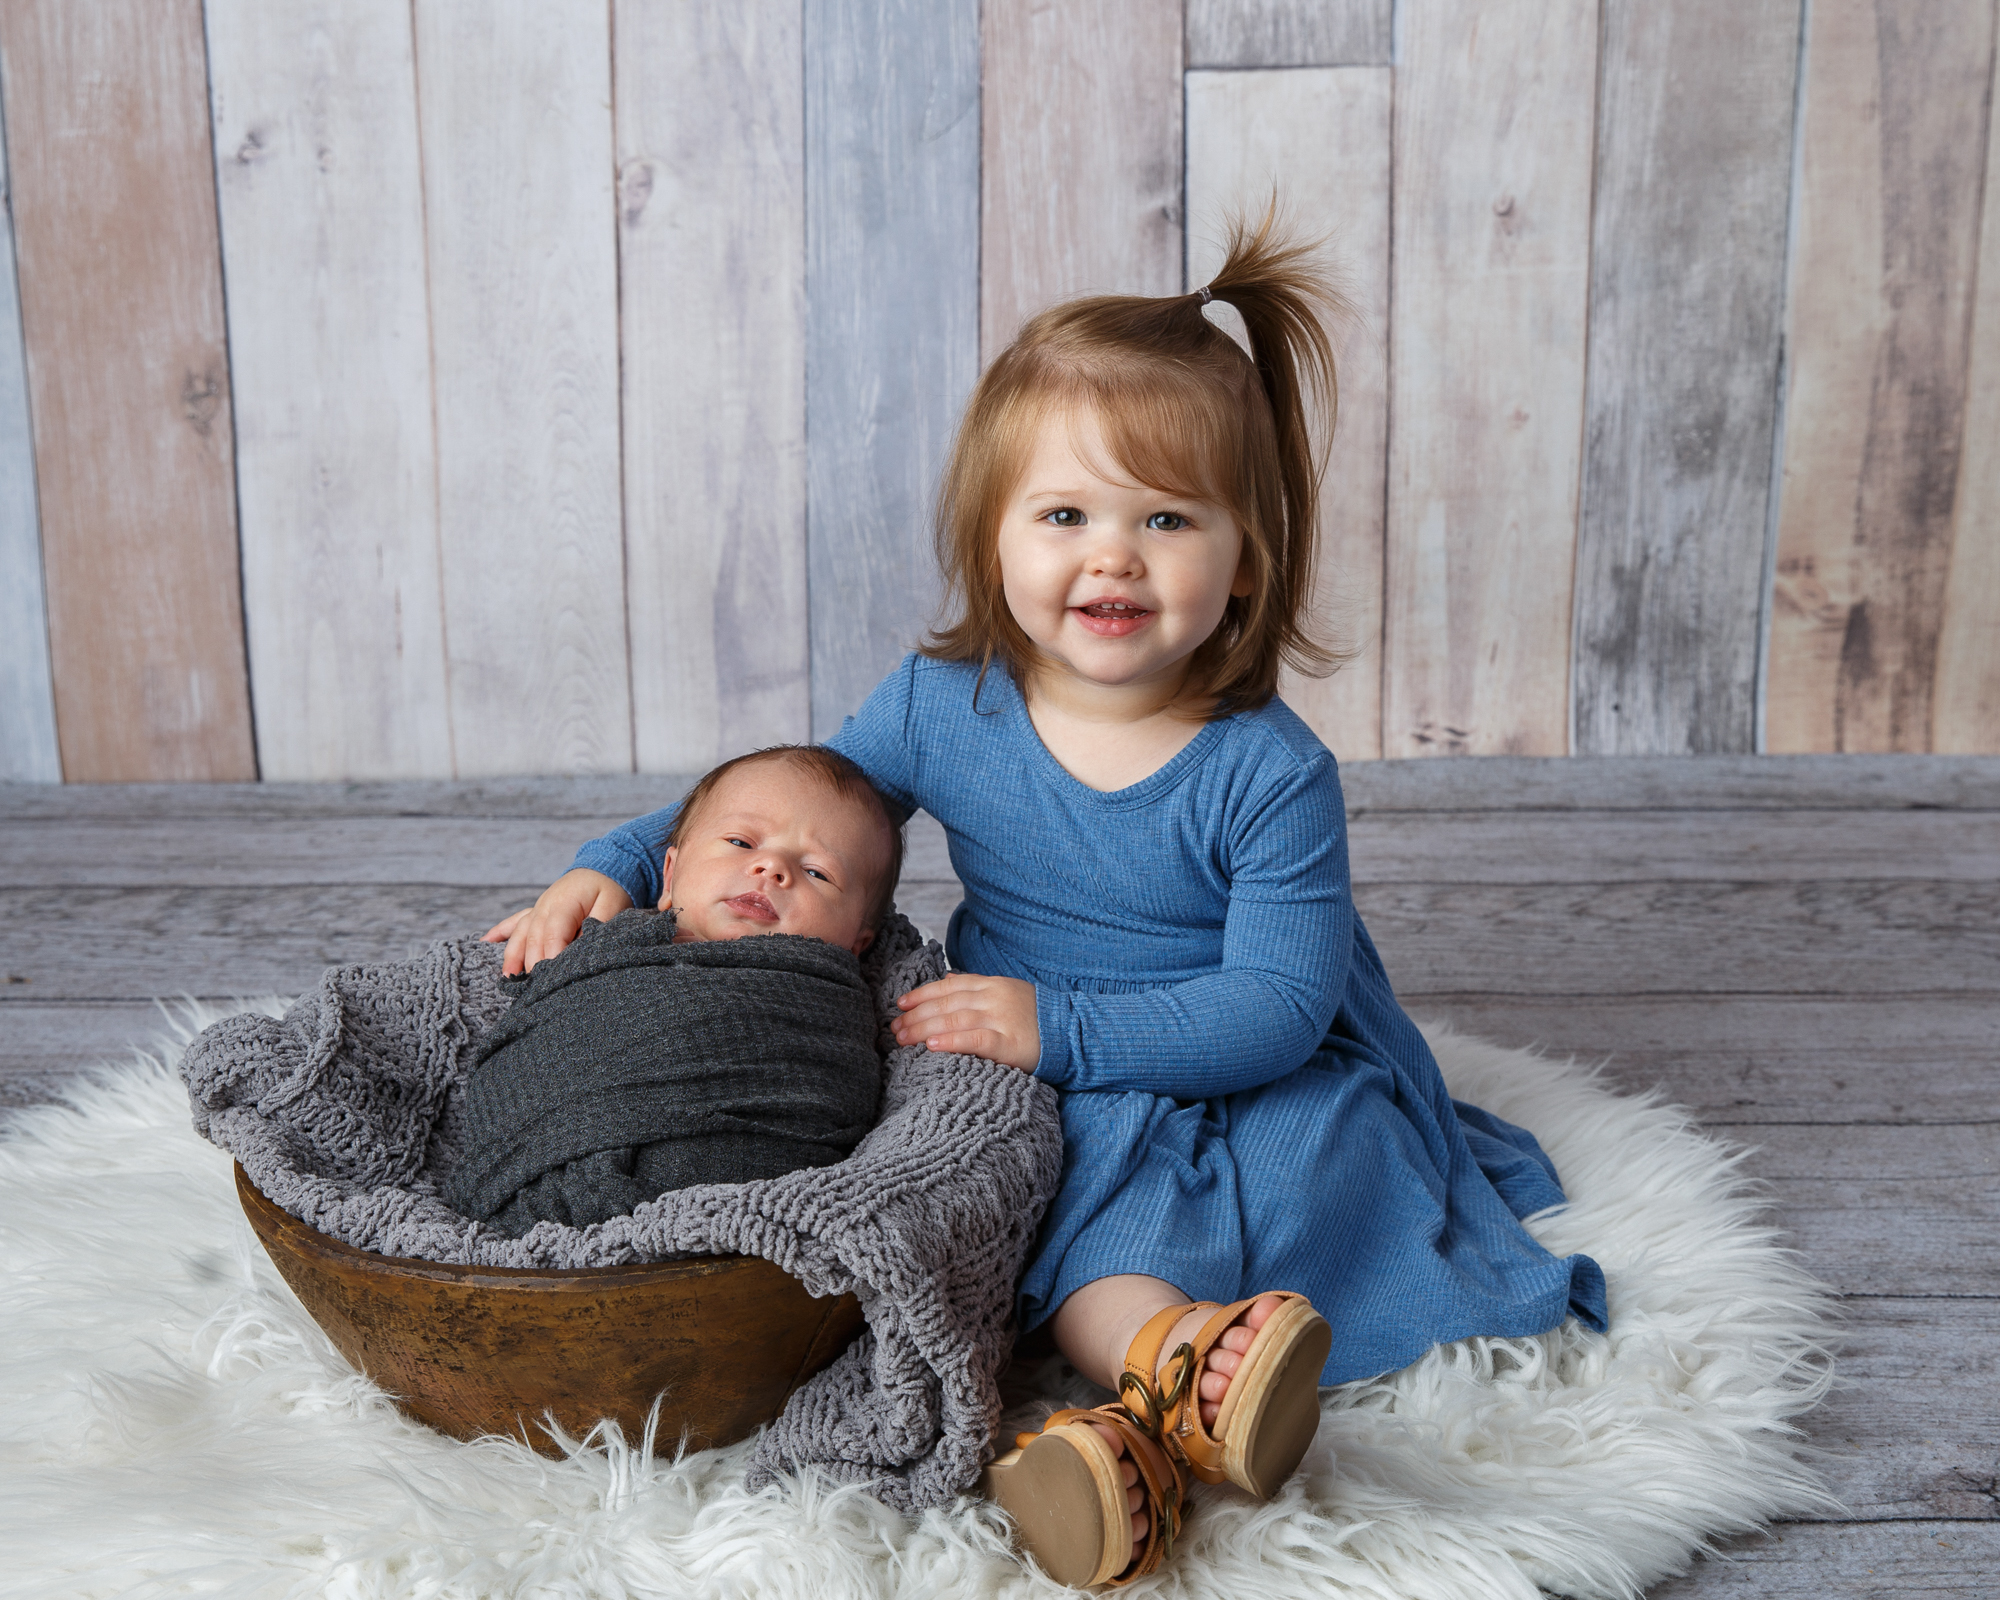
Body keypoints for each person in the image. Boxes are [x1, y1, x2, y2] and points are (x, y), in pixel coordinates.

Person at [484, 215, 1607, 1587]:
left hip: (1241, 1057)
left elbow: (1277, 1007)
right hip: (1037, 1062)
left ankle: (1158, 1403)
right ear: (995, 536)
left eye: (1167, 519)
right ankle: (1176, 1398)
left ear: (1246, 558)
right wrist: (614, 856)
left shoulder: (1268, 773)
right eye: (1066, 515)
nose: (1113, 559)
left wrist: (1056, 1028)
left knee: (1312, 1173)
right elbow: (788, 801)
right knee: (1059, 1203)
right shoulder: (948, 709)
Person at [454, 746, 902, 1237]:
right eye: (739, 841)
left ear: (858, 944)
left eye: (818, 872)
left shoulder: (828, 1001)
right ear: (668, 877)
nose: (772, 867)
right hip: (532, 1176)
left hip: (746, 1204)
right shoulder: (606, 951)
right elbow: (529, 1036)